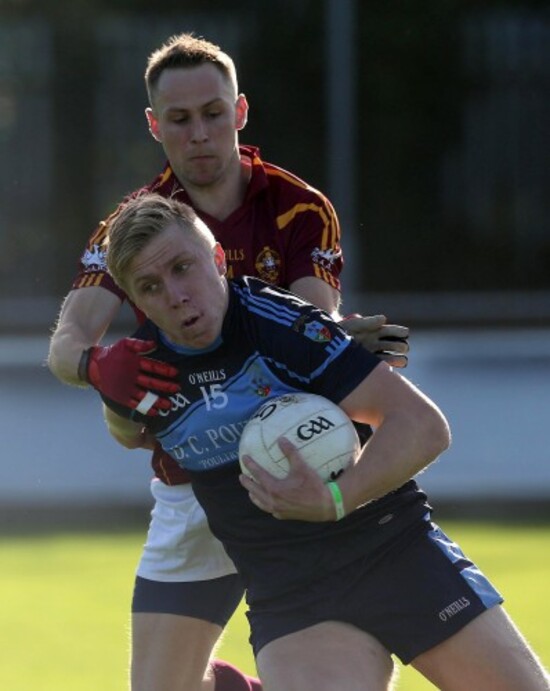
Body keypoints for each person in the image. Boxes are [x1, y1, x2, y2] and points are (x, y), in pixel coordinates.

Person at [47, 32, 410, 691]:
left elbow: (311, 328)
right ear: (155, 126)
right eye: (180, 119)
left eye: (213, 113)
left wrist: (345, 342)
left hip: (293, 465)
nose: (199, 134)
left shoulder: (299, 208)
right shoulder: (132, 226)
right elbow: (66, 343)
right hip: (193, 482)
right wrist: (99, 367)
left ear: (239, 111)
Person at [100, 192, 549, 691]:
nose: (176, 295)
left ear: (218, 259)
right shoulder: (144, 369)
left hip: (395, 554)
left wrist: (336, 498)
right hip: (294, 598)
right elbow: (131, 434)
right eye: (150, 287)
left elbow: (422, 425)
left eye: (183, 268)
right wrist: (112, 402)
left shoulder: (281, 326)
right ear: (136, 302)